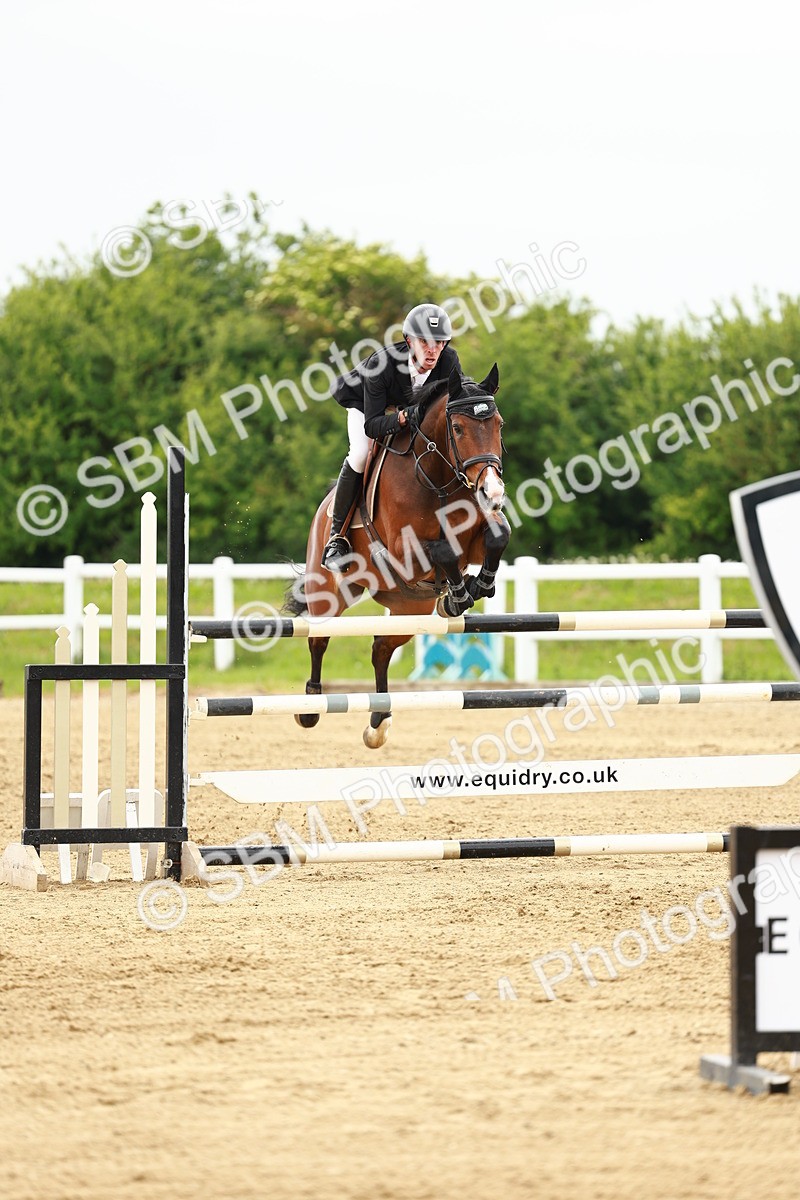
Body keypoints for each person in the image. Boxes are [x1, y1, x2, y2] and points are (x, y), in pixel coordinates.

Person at [322, 303, 463, 571]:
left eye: (439, 342)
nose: (432, 349)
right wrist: (404, 417)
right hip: (367, 407)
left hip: (409, 409)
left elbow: (455, 403)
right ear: (409, 340)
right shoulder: (381, 364)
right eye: (424, 341)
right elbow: (373, 425)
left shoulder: (449, 361)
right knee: (361, 455)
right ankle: (336, 538)